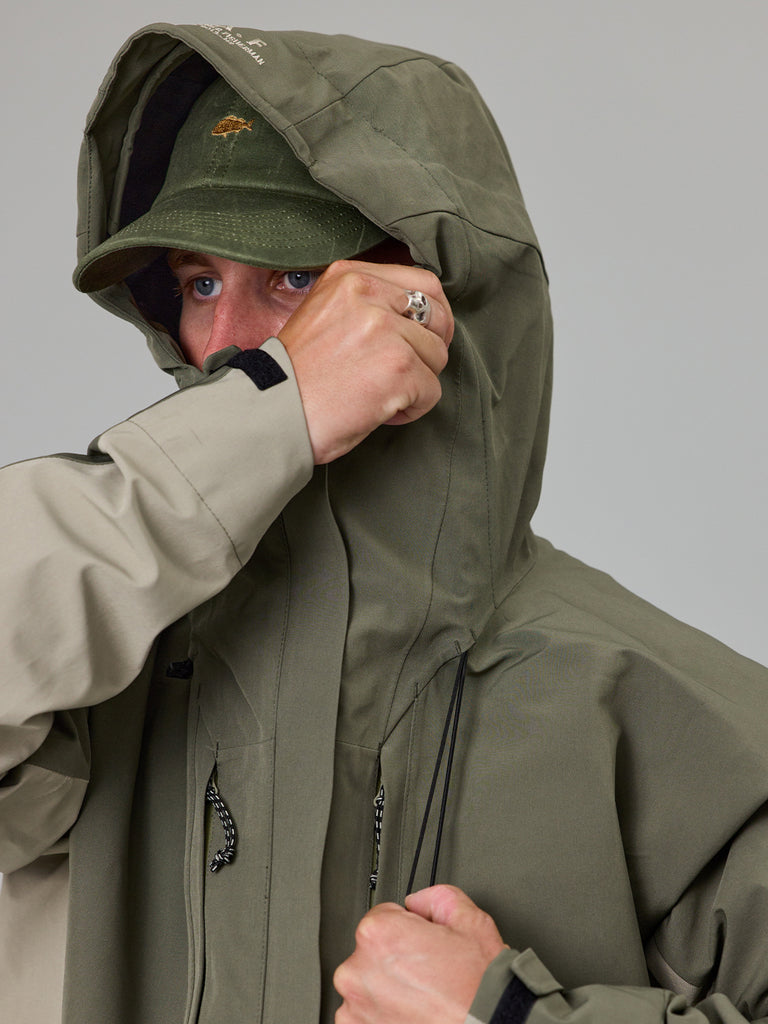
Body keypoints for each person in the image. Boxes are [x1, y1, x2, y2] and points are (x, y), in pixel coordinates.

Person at [1, 21, 767, 1024]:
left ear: (439, 301)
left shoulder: (657, 715)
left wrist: (512, 1020)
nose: (225, 344)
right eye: (198, 284)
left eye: (293, 278)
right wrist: (265, 413)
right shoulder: (92, 678)